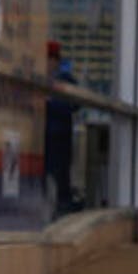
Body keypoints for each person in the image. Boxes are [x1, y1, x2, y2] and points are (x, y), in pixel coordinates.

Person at [44, 39, 78, 217]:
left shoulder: (65, 79)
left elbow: (74, 104)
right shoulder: (40, 78)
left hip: (58, 137)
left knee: (60, 177)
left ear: (54, 61)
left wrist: (49, 102)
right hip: (42, 138)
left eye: (48, 60)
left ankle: (62, 208)